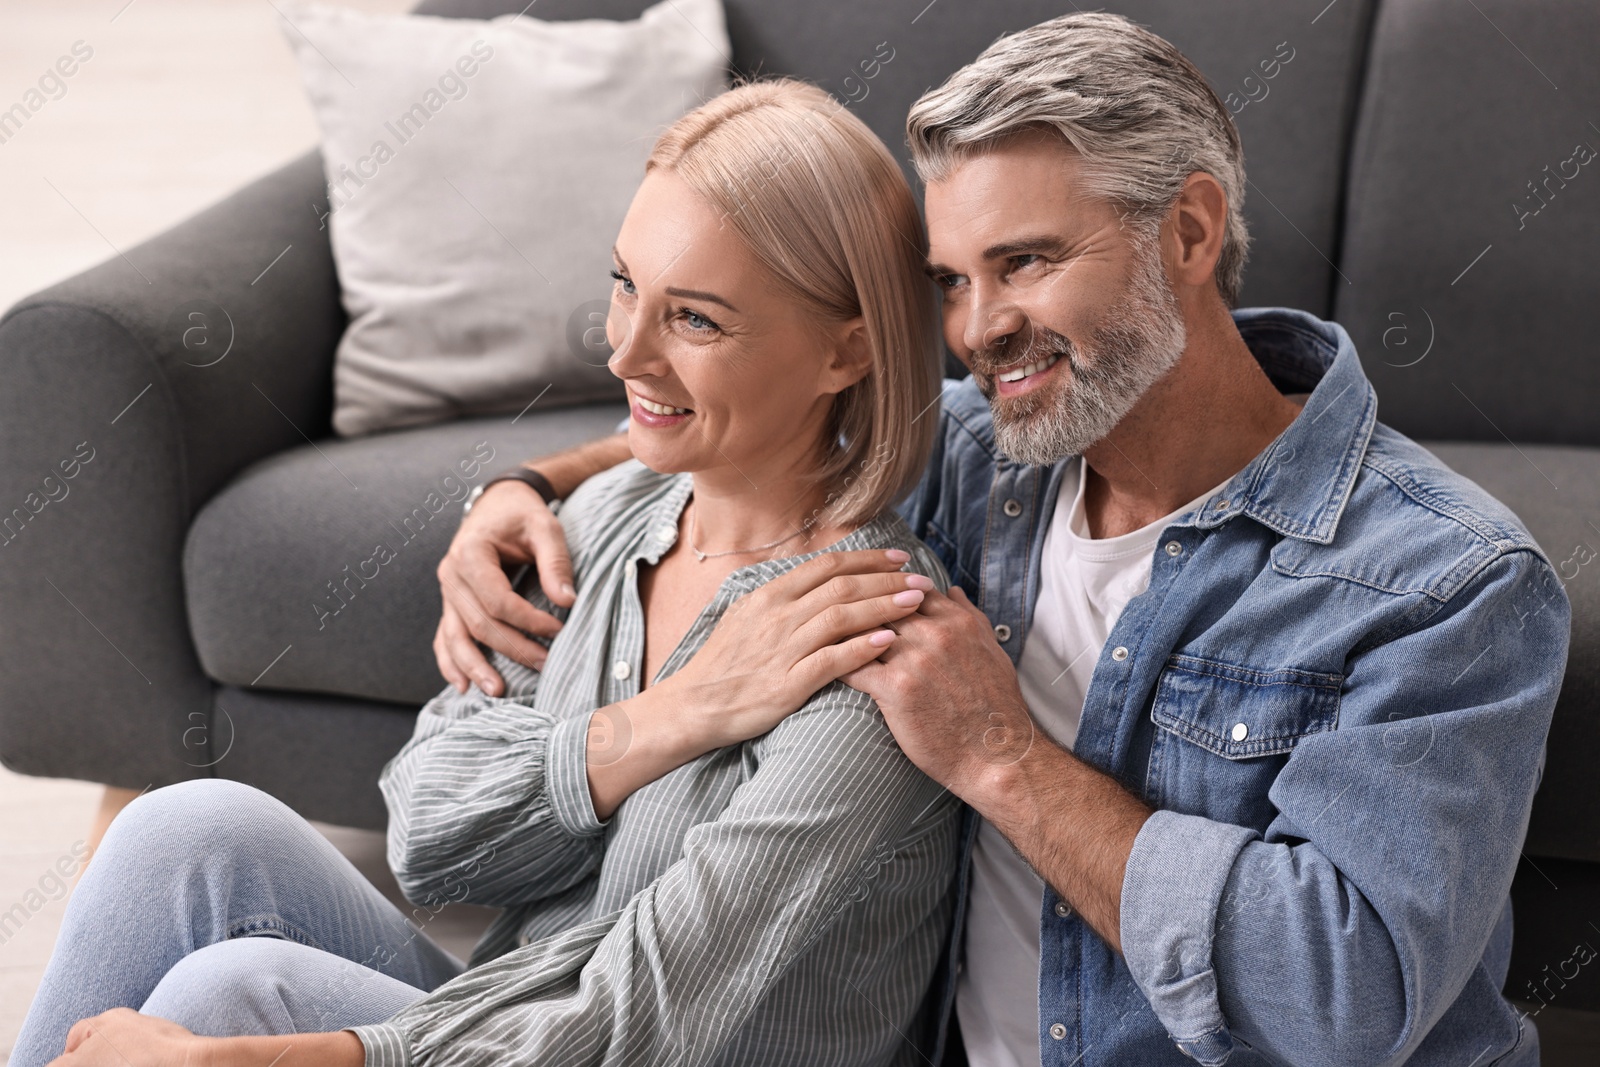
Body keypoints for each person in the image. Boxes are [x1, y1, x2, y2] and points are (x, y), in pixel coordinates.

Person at [434, 14, 1572, 1067]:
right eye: (948, 283)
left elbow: (1345, 995)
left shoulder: (1445, 584)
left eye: (1025, 262)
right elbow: (762, 406)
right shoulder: (988, 451)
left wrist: (1000, 755)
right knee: (244, 861)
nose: (977, 332)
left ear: (1186, 228)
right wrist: (524, 484)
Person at [17, 79, 966, 1067]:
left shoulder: (864, 650)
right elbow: (427, 837)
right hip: (510, 1015)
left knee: (228, 999)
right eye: (625, 284)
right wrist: (670, 716)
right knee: (186, 825)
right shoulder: (601, 519)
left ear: (843, 350)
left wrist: (229, 1058)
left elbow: (631, 1024)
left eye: (695, 320)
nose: (626, 350)